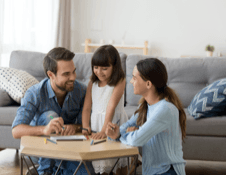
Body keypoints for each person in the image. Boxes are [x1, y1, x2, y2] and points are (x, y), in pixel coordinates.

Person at [12, 47, 94, 175]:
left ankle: (58, 169)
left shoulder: (81, 91)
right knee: (50, 116)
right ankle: (46, 171)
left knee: (87, 172)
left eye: (74, 72)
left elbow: (86, 125)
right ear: (51, 75)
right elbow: (16, 131)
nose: (73, 77)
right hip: (43, 150)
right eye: (66, 74)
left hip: (69, 149)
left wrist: (75, 127)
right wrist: (44, 130)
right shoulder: (34, 93)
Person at [106, 58, 187, 175]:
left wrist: (124, 134)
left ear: (148, 84)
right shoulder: (146, 107)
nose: (131, 82)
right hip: (152, 171)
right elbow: (126, 127)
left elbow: (136, 139)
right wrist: (118, 133)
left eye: (134, 78)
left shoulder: (165, 109)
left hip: (167, 171)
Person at [82, 45, 128, 175]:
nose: (99, 72)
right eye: (96, 67)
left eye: (104, 68)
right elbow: (86, 107)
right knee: (102, 161)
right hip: (97, 123)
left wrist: (104, 129)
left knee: (119, 160)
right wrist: (85, 126)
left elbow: (111, 105)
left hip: (113, 122)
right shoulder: (92, 82)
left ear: (115, 66)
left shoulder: (120, 80)